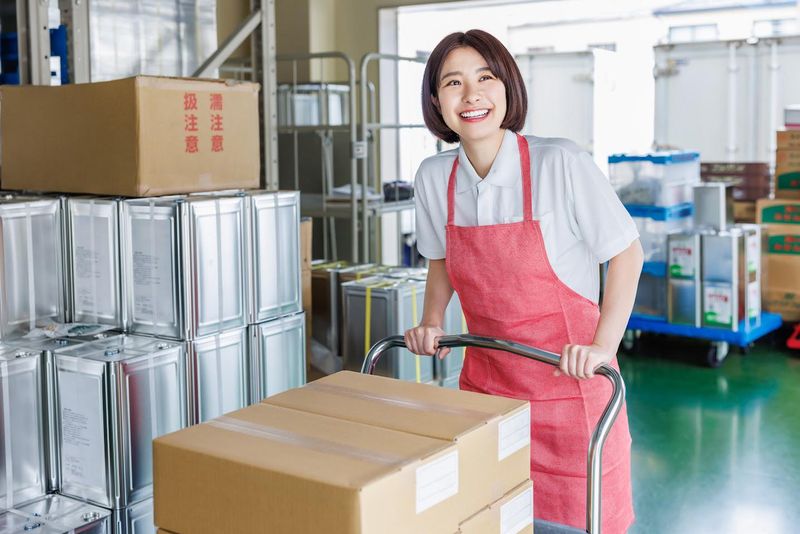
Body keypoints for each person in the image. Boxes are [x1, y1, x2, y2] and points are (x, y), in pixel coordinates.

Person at [404, 29, 641, 533]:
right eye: (453, 83)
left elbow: (626, 253)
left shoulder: (561, 163)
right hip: (487, 397)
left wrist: (602, 346)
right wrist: (431, 320)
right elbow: (441, 260)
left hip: (572, 391)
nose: (472, 95)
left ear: (508, 86)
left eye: (485, 77)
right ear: (436, 101)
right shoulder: (433, 177)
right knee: (493, 518)